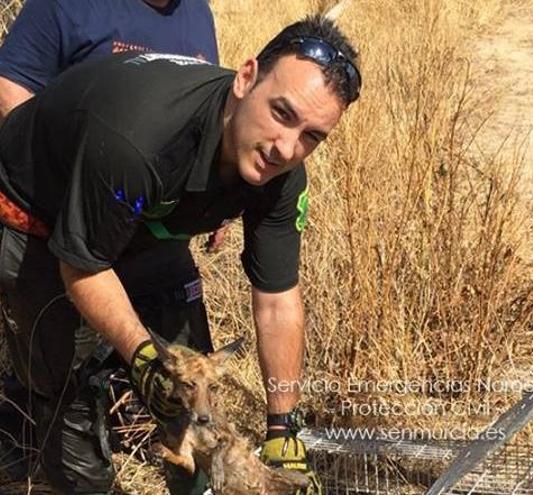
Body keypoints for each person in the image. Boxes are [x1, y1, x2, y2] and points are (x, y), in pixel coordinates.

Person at [0, 14, 360, 495]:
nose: (286, 148)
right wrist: (143, 355)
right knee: (72, 399)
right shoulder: (140, 140)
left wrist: (283, 427)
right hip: (37, 215)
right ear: (246, 78)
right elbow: (82, 263)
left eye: (312, 136)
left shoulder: (282, 176)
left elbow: (277, 300)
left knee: (194, 393)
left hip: (143, 213)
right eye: (282, 113)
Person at [0, 0, 221, 492]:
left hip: (156, 236)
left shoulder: (197, 14)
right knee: (69, 393)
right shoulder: (66, 5)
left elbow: (207, 109)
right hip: (65, 233)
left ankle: (196, 483)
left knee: (188, 375)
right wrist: (72, 199)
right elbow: (11, 95)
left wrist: (214, 200)